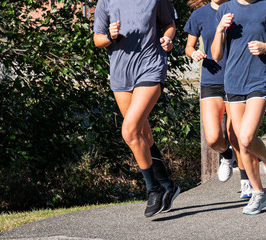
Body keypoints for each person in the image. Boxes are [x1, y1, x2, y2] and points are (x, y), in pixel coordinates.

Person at [93, 0, 180, 217]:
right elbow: (97, 39)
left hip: (150, 67)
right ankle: (167, 184)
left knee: (129, 130)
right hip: (121, 73)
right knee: (142, 133)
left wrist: (168, 38)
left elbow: (170, 24)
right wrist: (109, 37)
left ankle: (153, 189)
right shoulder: (106, 1)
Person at [211, 0, 266, 214]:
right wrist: (220, 29)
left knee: (246, 138)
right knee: (241, 144)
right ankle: (259, 193)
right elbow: (216, 55)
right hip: (233, 82)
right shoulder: (225, 9)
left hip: (260, 80)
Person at [184, 0, 252, 198]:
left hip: (237, 79)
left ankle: (246, 179)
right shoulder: (199, 15)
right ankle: (227, 155)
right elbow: (189, 46)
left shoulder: (239, 9)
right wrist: (194, 52)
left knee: (235, 134)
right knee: (213, 138)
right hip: (211, 78)